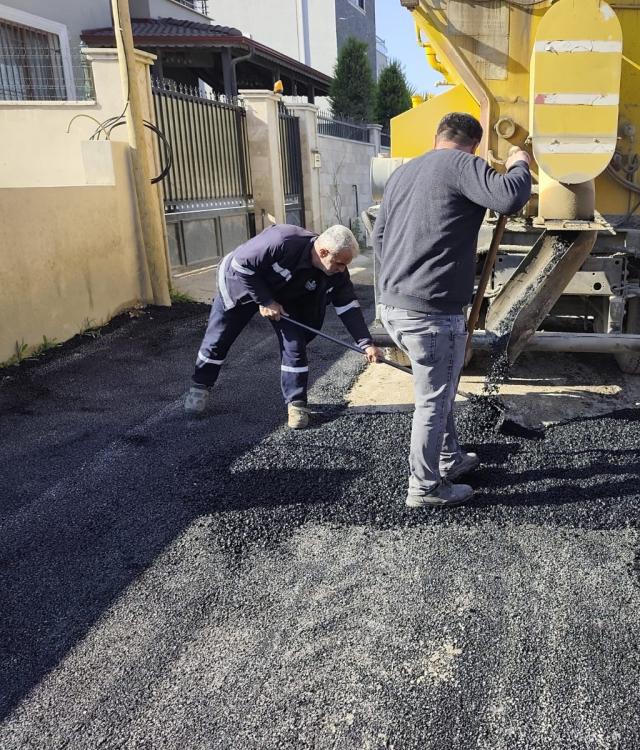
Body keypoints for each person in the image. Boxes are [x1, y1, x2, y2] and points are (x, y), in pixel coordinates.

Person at [372, 112, 533, 509]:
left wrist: (401, 280)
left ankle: (449, 458)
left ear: (436, 135)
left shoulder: (404, 173)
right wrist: (519, 162)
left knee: (437, 390)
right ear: (474, 144)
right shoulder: (464, 165)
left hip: (394, 306)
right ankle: (424, 488)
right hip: (430, 312)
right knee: (433, 401)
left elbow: (378, 235)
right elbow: (511, 197)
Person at [183, 224, 381, 428]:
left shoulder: (336, 272)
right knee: (219, 338)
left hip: (284, 292)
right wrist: (265, 301)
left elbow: (348, 306)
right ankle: (200, 386)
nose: (342, 270)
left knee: (295, 343)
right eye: (339, 264)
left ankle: (296, 405)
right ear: (323, 252)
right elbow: (241, 264)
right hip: (241, 283)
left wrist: (366, 343)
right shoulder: (282, 241)